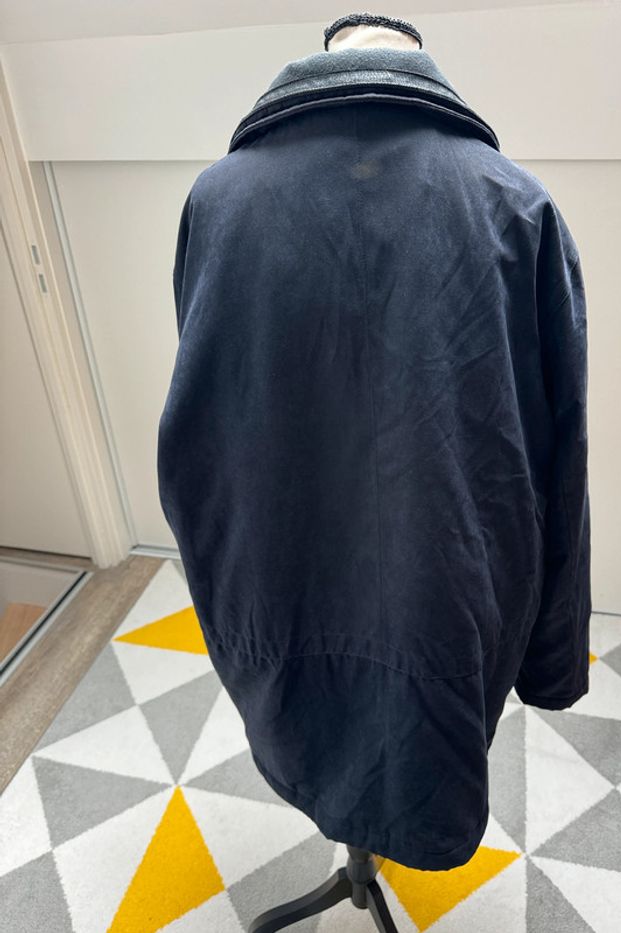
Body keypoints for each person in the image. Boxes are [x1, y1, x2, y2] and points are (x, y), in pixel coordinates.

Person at [158, 12, 591, 872]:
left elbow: (205, 426)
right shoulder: (516, 203)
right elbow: (561, 452)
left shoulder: (217, 199)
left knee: (326, 732)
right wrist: (551, 657)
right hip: (450, 597)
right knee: (417, 745)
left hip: (277, 580)